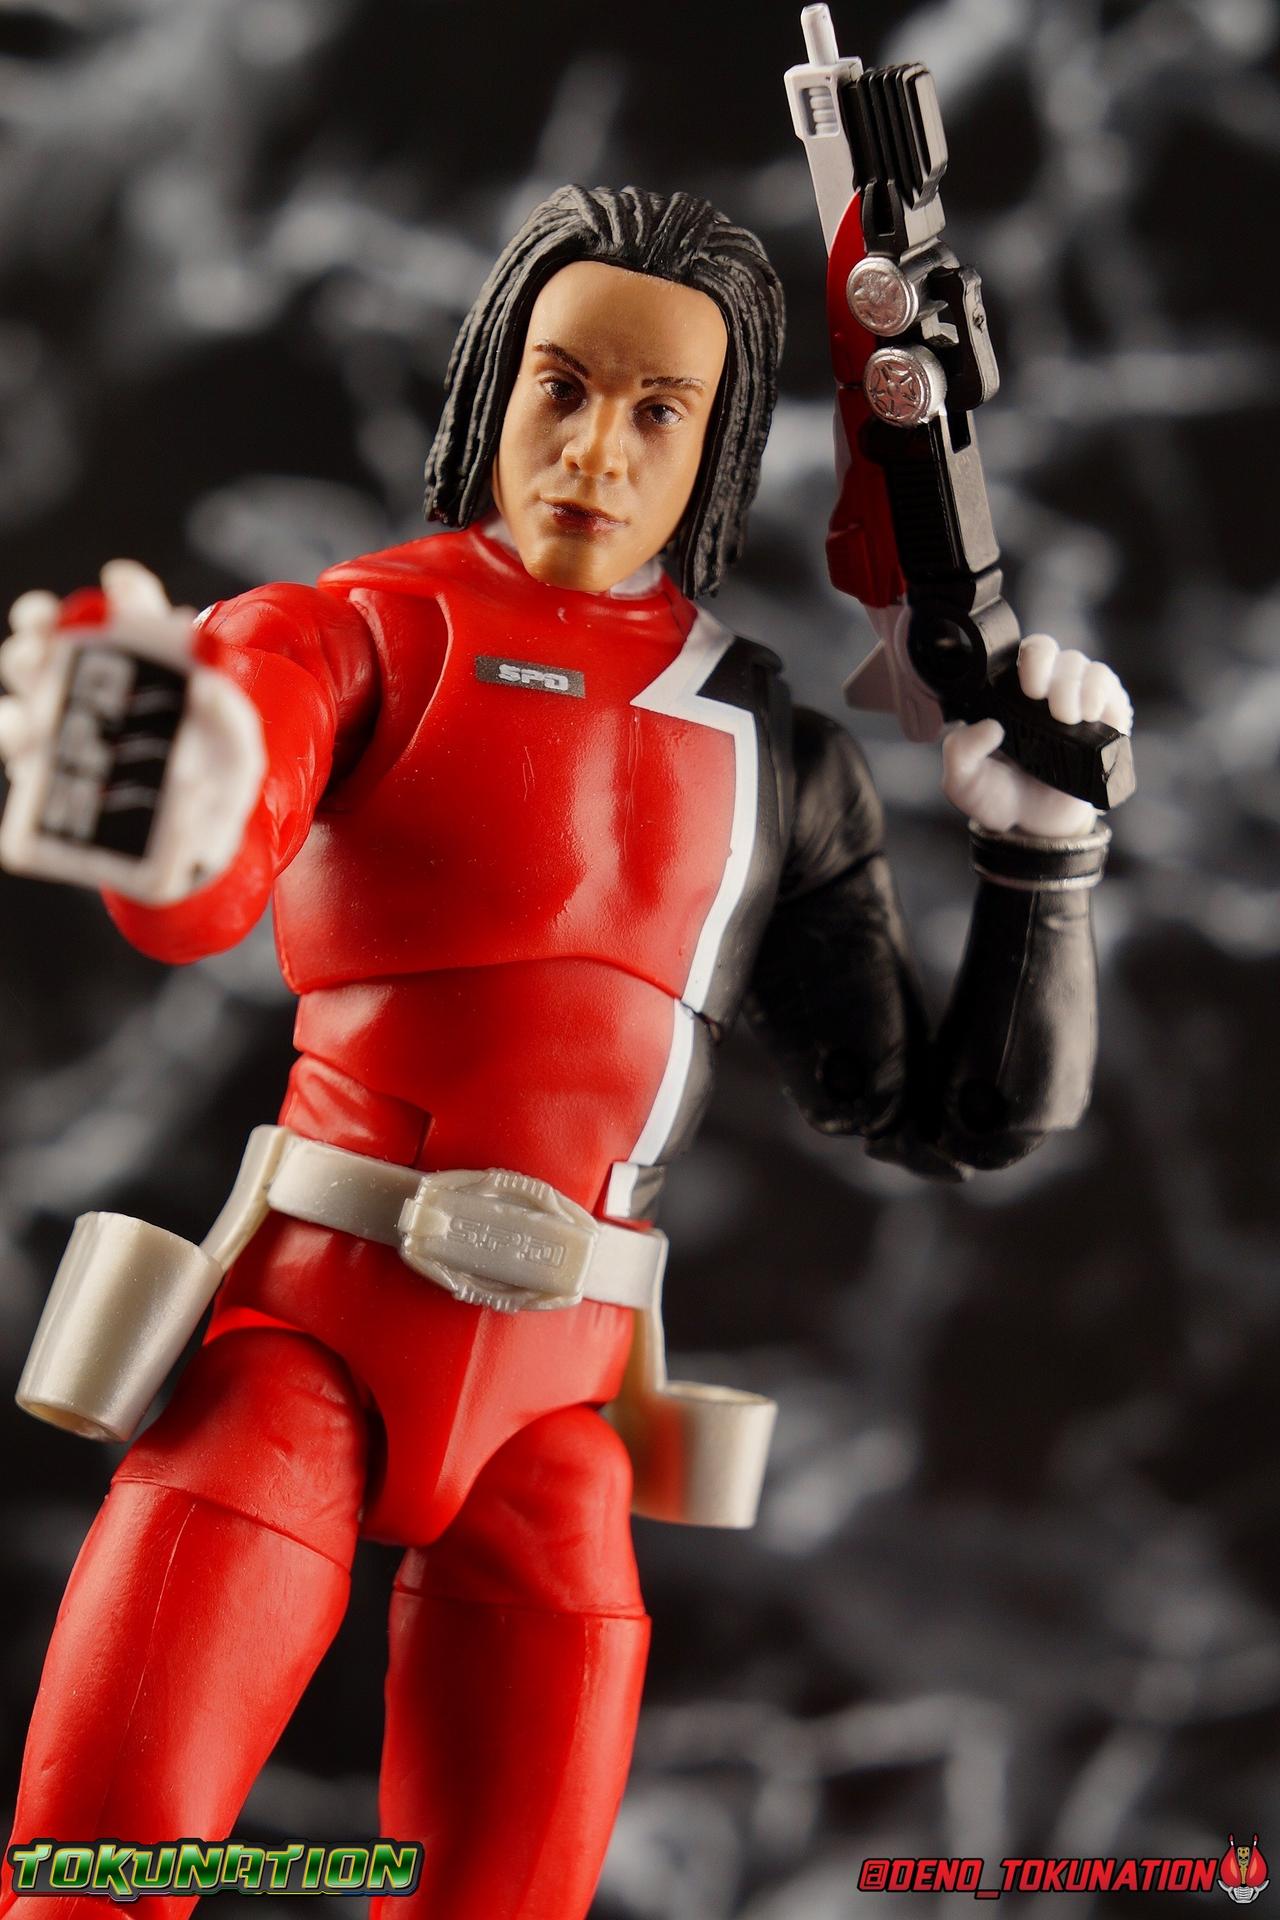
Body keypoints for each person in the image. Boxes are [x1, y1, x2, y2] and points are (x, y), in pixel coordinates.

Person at [0, 185, 1130, 1920]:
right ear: (495, 384)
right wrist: (171, 791)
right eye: (565, 386)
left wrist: (1043, 865)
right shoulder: (358, 630)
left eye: (658, 410)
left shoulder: (772, 749)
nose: (597, 449)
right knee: (99, 1857)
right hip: (302, 1340)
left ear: (716, 448)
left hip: (557, 1407)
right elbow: (216, 851)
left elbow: (945, 1113)